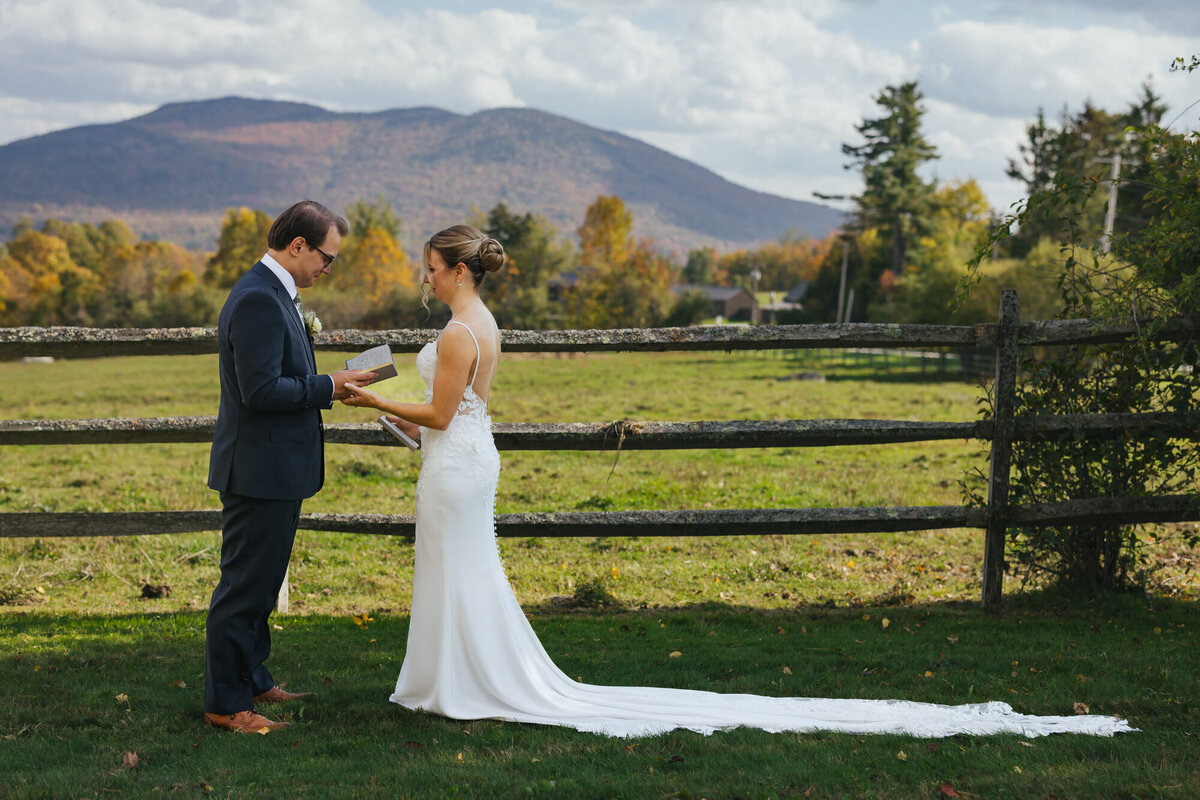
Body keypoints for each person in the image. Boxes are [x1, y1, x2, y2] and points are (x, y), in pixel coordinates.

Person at [341, 224, 1134, 739]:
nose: (426, 275)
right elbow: (469, 412)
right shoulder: (488, 326)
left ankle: (458, 683)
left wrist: (370, 395)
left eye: (431, 266)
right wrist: (410, 425)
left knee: (457, 569)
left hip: (456, 459)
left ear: (452, 271)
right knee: (464, 569)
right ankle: (455, 677)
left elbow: (448, 411)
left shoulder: (454, 330)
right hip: (467, 460)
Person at [204, 200, 376, 733]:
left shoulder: (277, 292)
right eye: (328, 258)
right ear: (297, 246)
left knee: (262, 581)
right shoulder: (259, 298)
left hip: (275, 466)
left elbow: (278, 374)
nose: (329, 268)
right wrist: (327, 387)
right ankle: (227, 704)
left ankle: (254, 678)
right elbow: (259, 391)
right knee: (244, 589)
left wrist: (326, 383)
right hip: (258, 468)